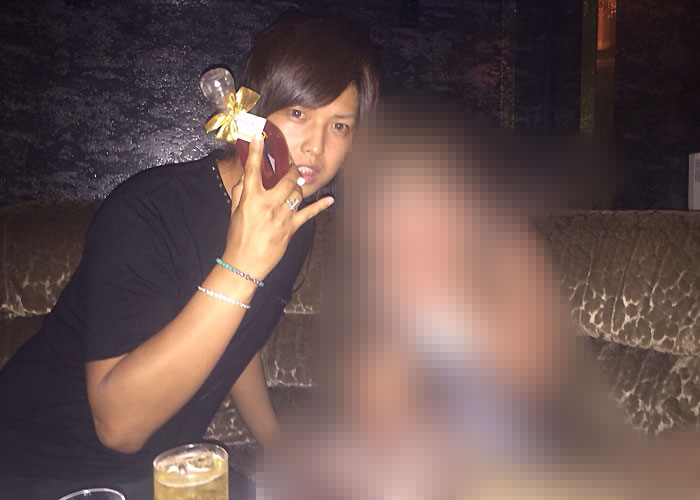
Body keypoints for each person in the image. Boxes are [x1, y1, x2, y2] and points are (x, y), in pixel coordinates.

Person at [0, 10, 380, 500]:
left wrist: (279, 447)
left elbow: (236, 335)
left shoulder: (291, 224)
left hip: (166, 471)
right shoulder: (149, 211)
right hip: (36, 463)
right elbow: (118, 427)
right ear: (254, 115)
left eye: (341, 125)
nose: (316, 147)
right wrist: (241, 266)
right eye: (299, 114)